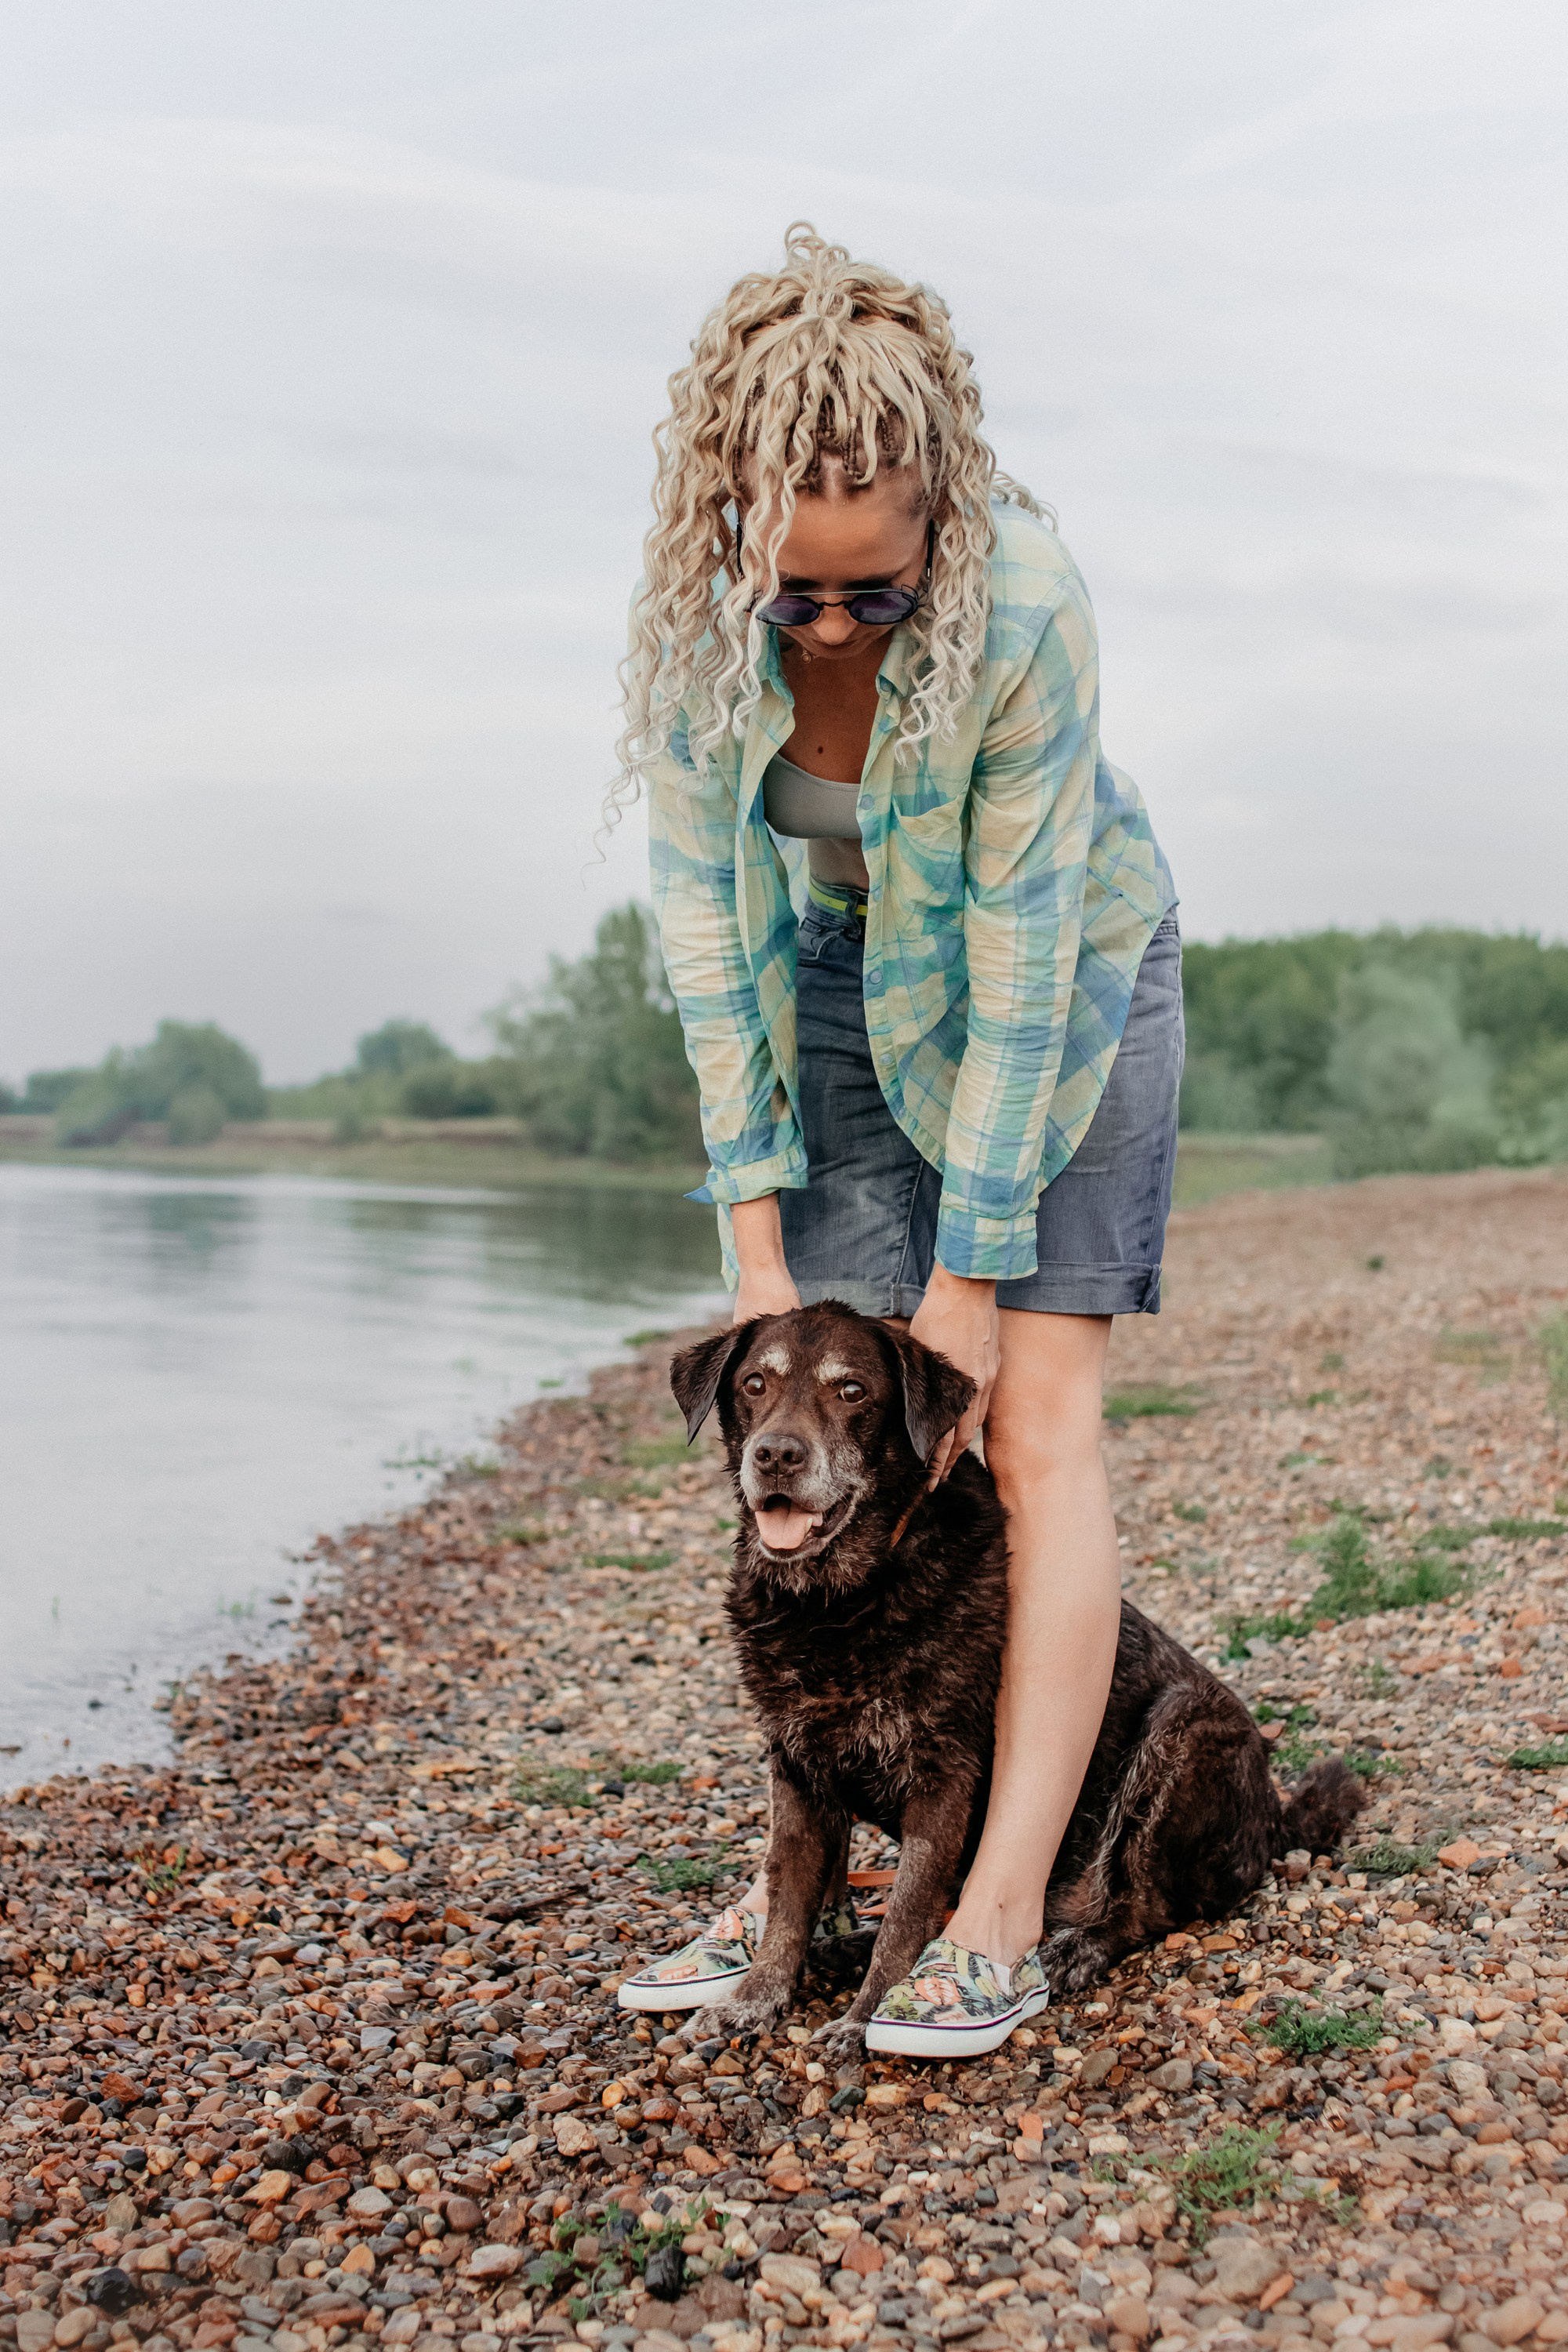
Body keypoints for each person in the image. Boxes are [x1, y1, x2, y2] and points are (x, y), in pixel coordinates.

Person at [612, 225, 1180, 2056]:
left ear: (942, 517)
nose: (838, 628)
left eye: (878, 591)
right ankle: (801, 1882)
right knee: (852, 1418)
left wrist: (970, 1279)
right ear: (739, 535)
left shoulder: (1025, 606)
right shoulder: (710, 625)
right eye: (802, 595)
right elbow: (716, 950)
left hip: (1066, 976)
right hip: (846, 978)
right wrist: (761, 1260)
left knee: (1025, 1424)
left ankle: (999, 1906)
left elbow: (1020, 977)